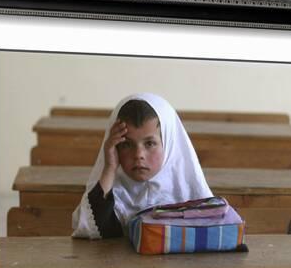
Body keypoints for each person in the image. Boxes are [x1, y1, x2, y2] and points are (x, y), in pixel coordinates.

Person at [71, 92, 213, 239]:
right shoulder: (110, 190)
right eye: (126, 144)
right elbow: (90, 231)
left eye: (149, 144)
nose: (138, 154)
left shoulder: (190, 194)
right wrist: (109, 168)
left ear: (169, 144)